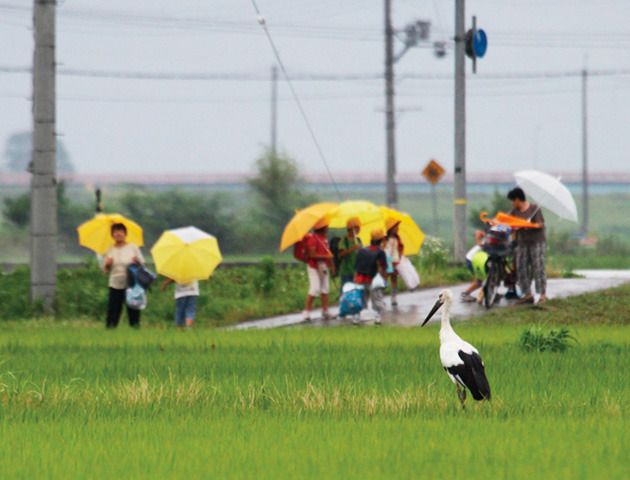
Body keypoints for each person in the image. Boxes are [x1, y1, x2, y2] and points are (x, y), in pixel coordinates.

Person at [507, 187, 547, 304]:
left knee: (538, 267)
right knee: (522, 267)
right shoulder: (515, 212)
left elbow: (539, 224)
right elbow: (509, 221)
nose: (513, 203)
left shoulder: (534, 209)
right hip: (522, 242)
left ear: (518, 199)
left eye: (513, 201)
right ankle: (527, 294)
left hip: (536, 242)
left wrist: (528, 224)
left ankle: (542, 294)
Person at [102, 222, 145, 328]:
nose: (118, 234)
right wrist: (107, 264)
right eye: (115, 232)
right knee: (113, 309)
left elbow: (142, 263)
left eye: (120, 231)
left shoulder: (133, 247)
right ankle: (110, 330)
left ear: (125, 234)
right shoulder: (110, 249)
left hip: (132, 283)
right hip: (115, 283)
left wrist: (137, 262)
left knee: (133, 309)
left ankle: (135, 329)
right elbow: (106, 270)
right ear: (112, 235)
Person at [303, 219, 335, 321]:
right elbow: (312, 255)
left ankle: (325, 311)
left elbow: (327, 252)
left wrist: (331, 264)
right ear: (323, 227)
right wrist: (326, 256)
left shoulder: (323, 238)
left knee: (325, 287)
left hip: (323, 266)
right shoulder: (312, 239)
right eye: (327, 226)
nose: (328, 227)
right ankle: (306, 311)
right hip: (313, 267)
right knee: (315, 288)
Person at [354, 228, 388, 323]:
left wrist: (355, 278)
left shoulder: (362, 250)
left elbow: (357, 266)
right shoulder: (381, 252)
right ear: (381, 240)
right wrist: (383, 280)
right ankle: (377, 318)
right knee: (377, 298)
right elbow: (384, 267)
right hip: (374, 280)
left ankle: (356, 317)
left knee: (361, 298)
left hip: (361, 278)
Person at [337, 217, 362, 294]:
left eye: (359, 227)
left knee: (357, 293)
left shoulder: (358, 240)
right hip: (347, 272)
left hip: (357, 271)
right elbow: (341, 254)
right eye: (356, 228)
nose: (358, 230)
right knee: (346, 293)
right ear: (350, 228)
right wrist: (352, 249)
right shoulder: (344, 240)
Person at [384, 218, 404, 306]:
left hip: (395, 261)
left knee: (394, 278)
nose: (397, 229)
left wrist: (400, 256)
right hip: (387, 261)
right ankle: (382, 296)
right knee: (384, 278)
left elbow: (400, 247)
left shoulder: (398, 238)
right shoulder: (385, 238)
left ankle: (394, 296)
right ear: (391, 228)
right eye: (396, 227)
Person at [461, 229, 486, 302]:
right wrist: (478, 239)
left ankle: (490, 293)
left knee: (486, 277)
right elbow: (478, 232)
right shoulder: (492, 239)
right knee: (481, 278)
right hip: (473, 259)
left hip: (478, 259)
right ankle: (465, 294)